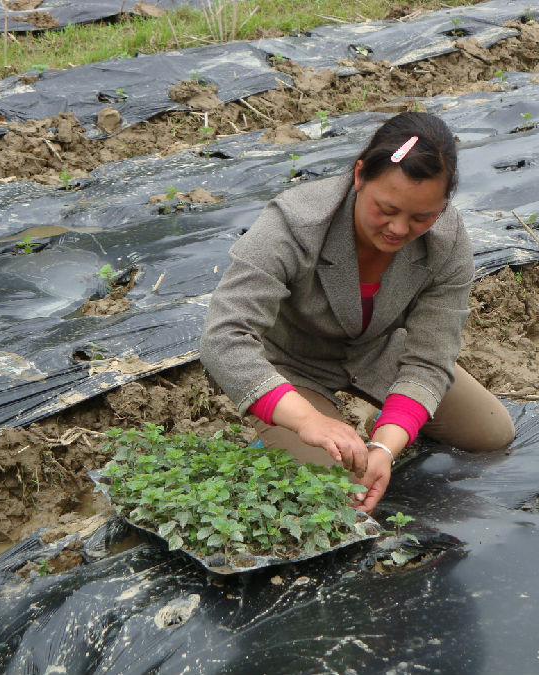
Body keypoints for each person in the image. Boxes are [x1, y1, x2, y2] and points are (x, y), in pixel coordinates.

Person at [199, 111, 514, 513]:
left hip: (378, 350)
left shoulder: (446, 239)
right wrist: (307, 420)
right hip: (293, 364)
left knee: (492, 432)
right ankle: (275, 435)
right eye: (386, 209)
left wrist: (385, 445)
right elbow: (224, 339)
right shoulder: (296, 223)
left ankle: (367, 430)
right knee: (339, 488)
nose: (399, 229)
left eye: (421, 217)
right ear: (360, 175)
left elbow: (430, 359)